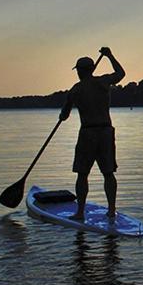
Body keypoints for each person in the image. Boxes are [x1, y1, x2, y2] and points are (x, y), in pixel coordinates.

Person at [59, 47, 125, 221]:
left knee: (82, 174)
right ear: (92, 69)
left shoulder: (75, 90)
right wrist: (110, 55)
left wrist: (63, 112)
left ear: (80, 71)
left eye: (78, 71)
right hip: (105, 131)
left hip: (88, 133)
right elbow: (121, 73)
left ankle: (80, 212)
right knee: (108, 173)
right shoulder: (103, 82)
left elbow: (64, 116)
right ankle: (111, 210)